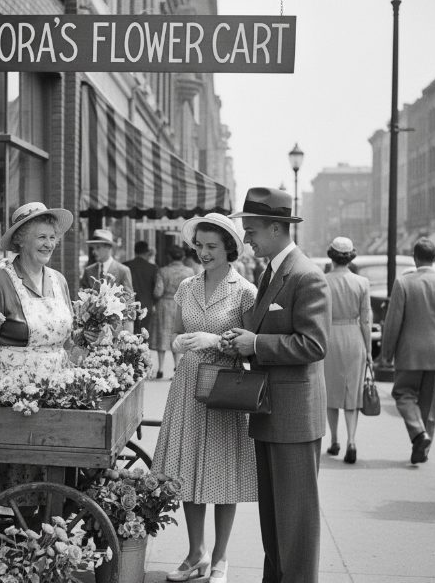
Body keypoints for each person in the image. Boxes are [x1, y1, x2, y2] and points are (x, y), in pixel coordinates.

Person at [227, 187, 331, 583]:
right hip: (272, 410)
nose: (247, 238)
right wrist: (245, 338)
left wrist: (255, 344)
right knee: (274, 521)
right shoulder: (273, 272)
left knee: (295, 523)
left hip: (293, 417)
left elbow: (314, 343)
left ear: (276, 228)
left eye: (251, 230)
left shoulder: (305, 275)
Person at [152, 213, 258, 583]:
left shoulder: (245, 291)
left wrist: (217, 341)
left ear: (229, 248)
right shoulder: (186, 287)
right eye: (199, 245)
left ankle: (220, 558)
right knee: (187, 472)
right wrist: (179, 342)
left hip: (225, 386)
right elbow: (177, 334)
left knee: (222, 471)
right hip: (187, 387)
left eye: (212, 246)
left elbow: (252, 350)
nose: (204, 252)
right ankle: (195, 552)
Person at [0, 201, 84, 494]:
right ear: (21, 239)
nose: (49, 244)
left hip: (56, 386)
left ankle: (50, 517)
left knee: (54, 461)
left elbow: (67, 339)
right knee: (20, 467)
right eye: (41, 237)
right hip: (16, 389)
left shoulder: (59, 280)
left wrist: (80, 367)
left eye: (52, 237)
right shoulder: (0, 282)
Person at [381, 237, 435, 464]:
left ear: (414, 258)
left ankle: (418, 433)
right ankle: (423, 448)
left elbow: (393, 323)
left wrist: (386, 354)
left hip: (410, 354)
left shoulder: (404, 283)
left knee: (403, 394)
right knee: (430, 406)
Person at [323, 236, 372, 464]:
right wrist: (369, 351)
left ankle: (334, 440)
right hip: (354, 338)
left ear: (331, 256)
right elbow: (366, 321)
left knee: (331, 393)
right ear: (351, 256)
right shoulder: (362, 283)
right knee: (352, 393)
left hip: (330, 338)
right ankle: (352, 440)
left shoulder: (323, 281)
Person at [149, 245, 194, 378]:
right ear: (183, 257)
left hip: (165, 304)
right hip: (182, 305)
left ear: (169, 257)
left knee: (163, 335)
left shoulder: (163, 271)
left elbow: (158, 291)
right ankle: (176, 368)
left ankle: (161, 368)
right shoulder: (189, 271)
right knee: (178, 334)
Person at [123, 240, 163, 337]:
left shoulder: (125, 265)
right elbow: (158, 290)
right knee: (142, 335)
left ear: (135, 251)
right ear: (147, 252)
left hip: (127, 306)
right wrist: (154, 302)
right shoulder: (153, 268)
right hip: (146, 306)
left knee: (127, 336)